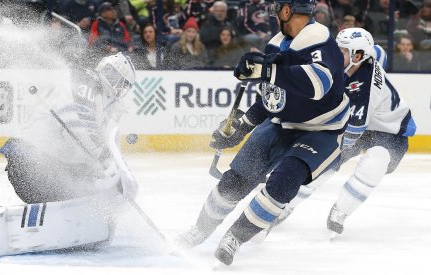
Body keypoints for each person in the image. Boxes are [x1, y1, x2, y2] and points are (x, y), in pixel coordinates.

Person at [176, 0, 349, 265]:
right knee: (234, 180)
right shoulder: (277, 44)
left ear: (288, 10)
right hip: (281, 124)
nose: (275, 11)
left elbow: (319, 83)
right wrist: (241, 127)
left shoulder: (320, 38)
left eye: (279, 6)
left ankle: (235, 237)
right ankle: (200, 230)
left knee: (283, 182)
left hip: (322, 131)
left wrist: (268, 70)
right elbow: (272, 99)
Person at [0, 52, 138, 257]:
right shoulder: (87, 82)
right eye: (121, 83)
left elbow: (95, 144)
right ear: (113, 75)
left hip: (51, 164)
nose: (121, 90)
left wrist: (112, 176)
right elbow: (80, 124)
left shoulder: (104, 100)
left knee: (88, 196)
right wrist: (107, 166)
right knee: (76, 197)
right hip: (29, 159)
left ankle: (3, 227)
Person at [257, 27, 416, 237]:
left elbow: (353, 131)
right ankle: (284, 205)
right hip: (357, 123)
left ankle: (342, 210)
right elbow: (378, 51)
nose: (334, 53)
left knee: (373, 161)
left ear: (357, 56)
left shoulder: (364, 87)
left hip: (392, 133)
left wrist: (327, 155)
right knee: (318, 163)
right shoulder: (358, 58)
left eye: (341, 51)